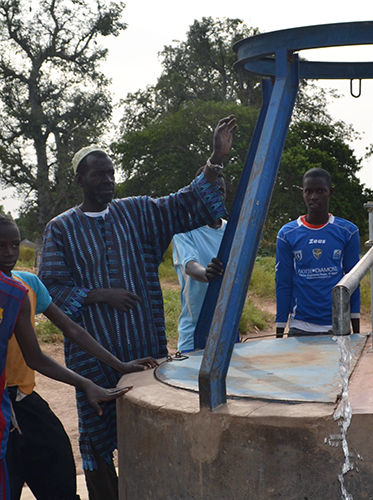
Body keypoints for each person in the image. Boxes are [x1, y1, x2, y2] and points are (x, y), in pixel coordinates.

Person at [38, 115, 236, 500]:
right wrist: (100, 294)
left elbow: (184, 203)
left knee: (147, 423)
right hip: (92, 355)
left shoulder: (137, 212)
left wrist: (215, 159)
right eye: (98, 174)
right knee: (97, 437)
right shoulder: (60, 228)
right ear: (80, 179)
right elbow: (51, 288)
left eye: (111, 173)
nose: (107, 179)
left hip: (142, 347)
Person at [0, 214, 157, 500]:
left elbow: (72, 329)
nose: (9, 253)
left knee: (57, 460)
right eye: (1, 246)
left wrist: (119, 365)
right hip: (3, 405)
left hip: (24, 398)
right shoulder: (9, 294)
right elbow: (35, 358)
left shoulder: (28, 285)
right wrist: (85, 384)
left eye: (14, 244)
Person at [275, 168, 360, 337]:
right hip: (300, 328)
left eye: (320, 191)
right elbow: (283, 283)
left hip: (337, 327)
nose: (314, 196)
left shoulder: (347, 231)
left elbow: (353, 281)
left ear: (331, 192)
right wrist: (279, 331)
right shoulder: (287, 234)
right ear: (302, 193)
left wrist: (356, 331)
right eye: (309, 191)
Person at [171, 168, 227, 353]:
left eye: (220, 191)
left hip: (227, 328)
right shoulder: (184, 229)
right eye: (210, 190)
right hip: (195, 331)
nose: (216, 195)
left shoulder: (233, 231)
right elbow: (190, 266)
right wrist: (207, 274)